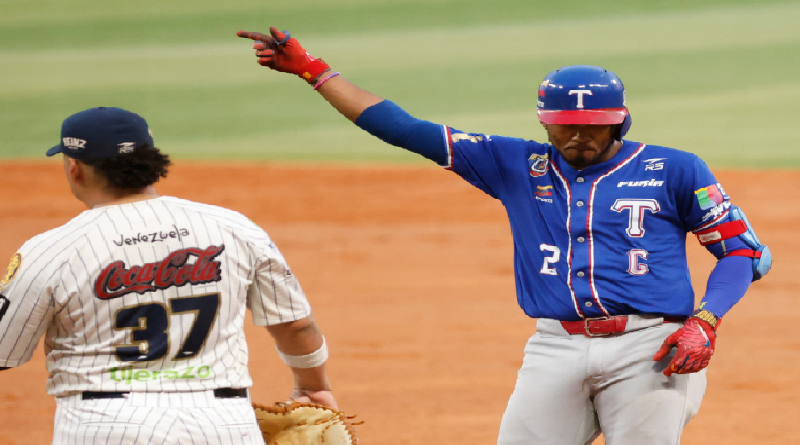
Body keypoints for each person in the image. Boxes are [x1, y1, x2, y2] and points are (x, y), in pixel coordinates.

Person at [235, 28, 772, 444]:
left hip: (651, 346)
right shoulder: (514, 162)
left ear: (621, 121)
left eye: (593, 123)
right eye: (564, 123)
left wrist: (706, 321)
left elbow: (740, 250)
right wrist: (313, 71)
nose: (578, 133)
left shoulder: (676, 168)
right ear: (543, 121)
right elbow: (404, 128)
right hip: (554, 344)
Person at [0, 107, 337, 445]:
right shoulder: (232, 226)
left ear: (75, 168)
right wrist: (313, 387)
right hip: (224, 422)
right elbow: (296, 325)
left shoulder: (51, 250)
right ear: (149, 161)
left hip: (104, 425)